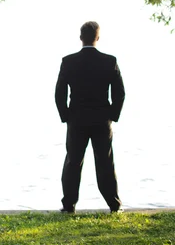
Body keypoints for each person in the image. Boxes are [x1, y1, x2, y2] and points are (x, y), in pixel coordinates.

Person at [55, 21, 125, 213]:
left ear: (80, 38)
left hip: (76, 119)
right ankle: (114, 205)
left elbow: (59, 92)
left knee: (73, 162)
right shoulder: (109, 61)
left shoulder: (68, 61)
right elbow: (120, 92)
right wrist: (112, 115)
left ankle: (69, 205)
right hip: (102, 120)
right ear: (98, 38)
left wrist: (66, 115)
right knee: (105, 162)